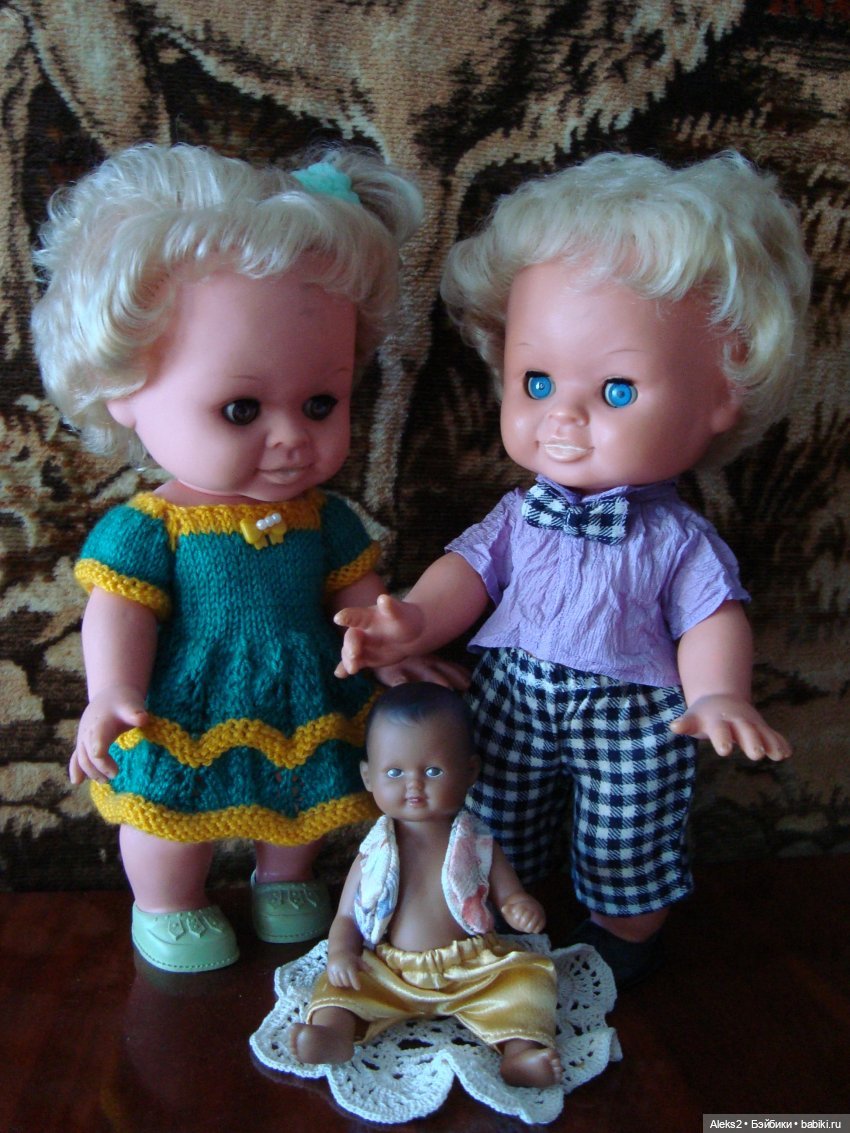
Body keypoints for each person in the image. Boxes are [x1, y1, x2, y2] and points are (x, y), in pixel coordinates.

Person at [333, 151, 812, 988]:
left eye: (617, 390)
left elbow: (712, 615)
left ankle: (625, 928)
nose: (564, 416)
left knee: (628, 826)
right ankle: (499, 907)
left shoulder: (677, 538)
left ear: (720, 392)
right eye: (537, 380)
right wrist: (414, 619)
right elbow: (467, 572)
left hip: (632, 711)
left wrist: (718, 694)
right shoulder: (519, 513)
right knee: (496, 807)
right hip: (511, 695)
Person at [31, 141, 458, 973]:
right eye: (240, 408)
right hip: (183, 698)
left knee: (297, 799)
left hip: (301, 687)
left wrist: (389, 639)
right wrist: (112, 690)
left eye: (322, 402)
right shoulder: (150, 527)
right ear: (125, 388)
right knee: (167, 812)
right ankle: (167, 902)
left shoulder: (324, 518)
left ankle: (283, 878)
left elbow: (356, 590)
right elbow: (120, 607)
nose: (292, 437)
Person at [289, 682, 563, 1088]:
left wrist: (520, 906)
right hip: (389, 968)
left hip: (471, 967)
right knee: (337, 984)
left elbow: (509, 895)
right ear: (368, 777)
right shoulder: (374, 852)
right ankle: (333, 1034)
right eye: (394, 772)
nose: (414, 785)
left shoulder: (478, 842)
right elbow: (346, 916)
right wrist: (343, 953)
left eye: (433, 771)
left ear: (470, 771)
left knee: (529, 980)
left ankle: (520, 1053)